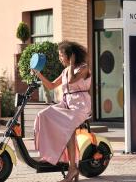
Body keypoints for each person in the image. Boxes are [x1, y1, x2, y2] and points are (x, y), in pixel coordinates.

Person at [31, 40, 91, 182]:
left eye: (61, 56)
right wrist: (38, 73)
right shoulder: (64, 71)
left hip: (79, 106)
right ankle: (50, 154)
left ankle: (72, 169)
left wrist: (71, 64)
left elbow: (71, 81)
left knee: (68, 129)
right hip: (66, 104)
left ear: (71, 56)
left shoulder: (84, 68)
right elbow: (51, 86)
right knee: (42, 115)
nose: (60, 59)